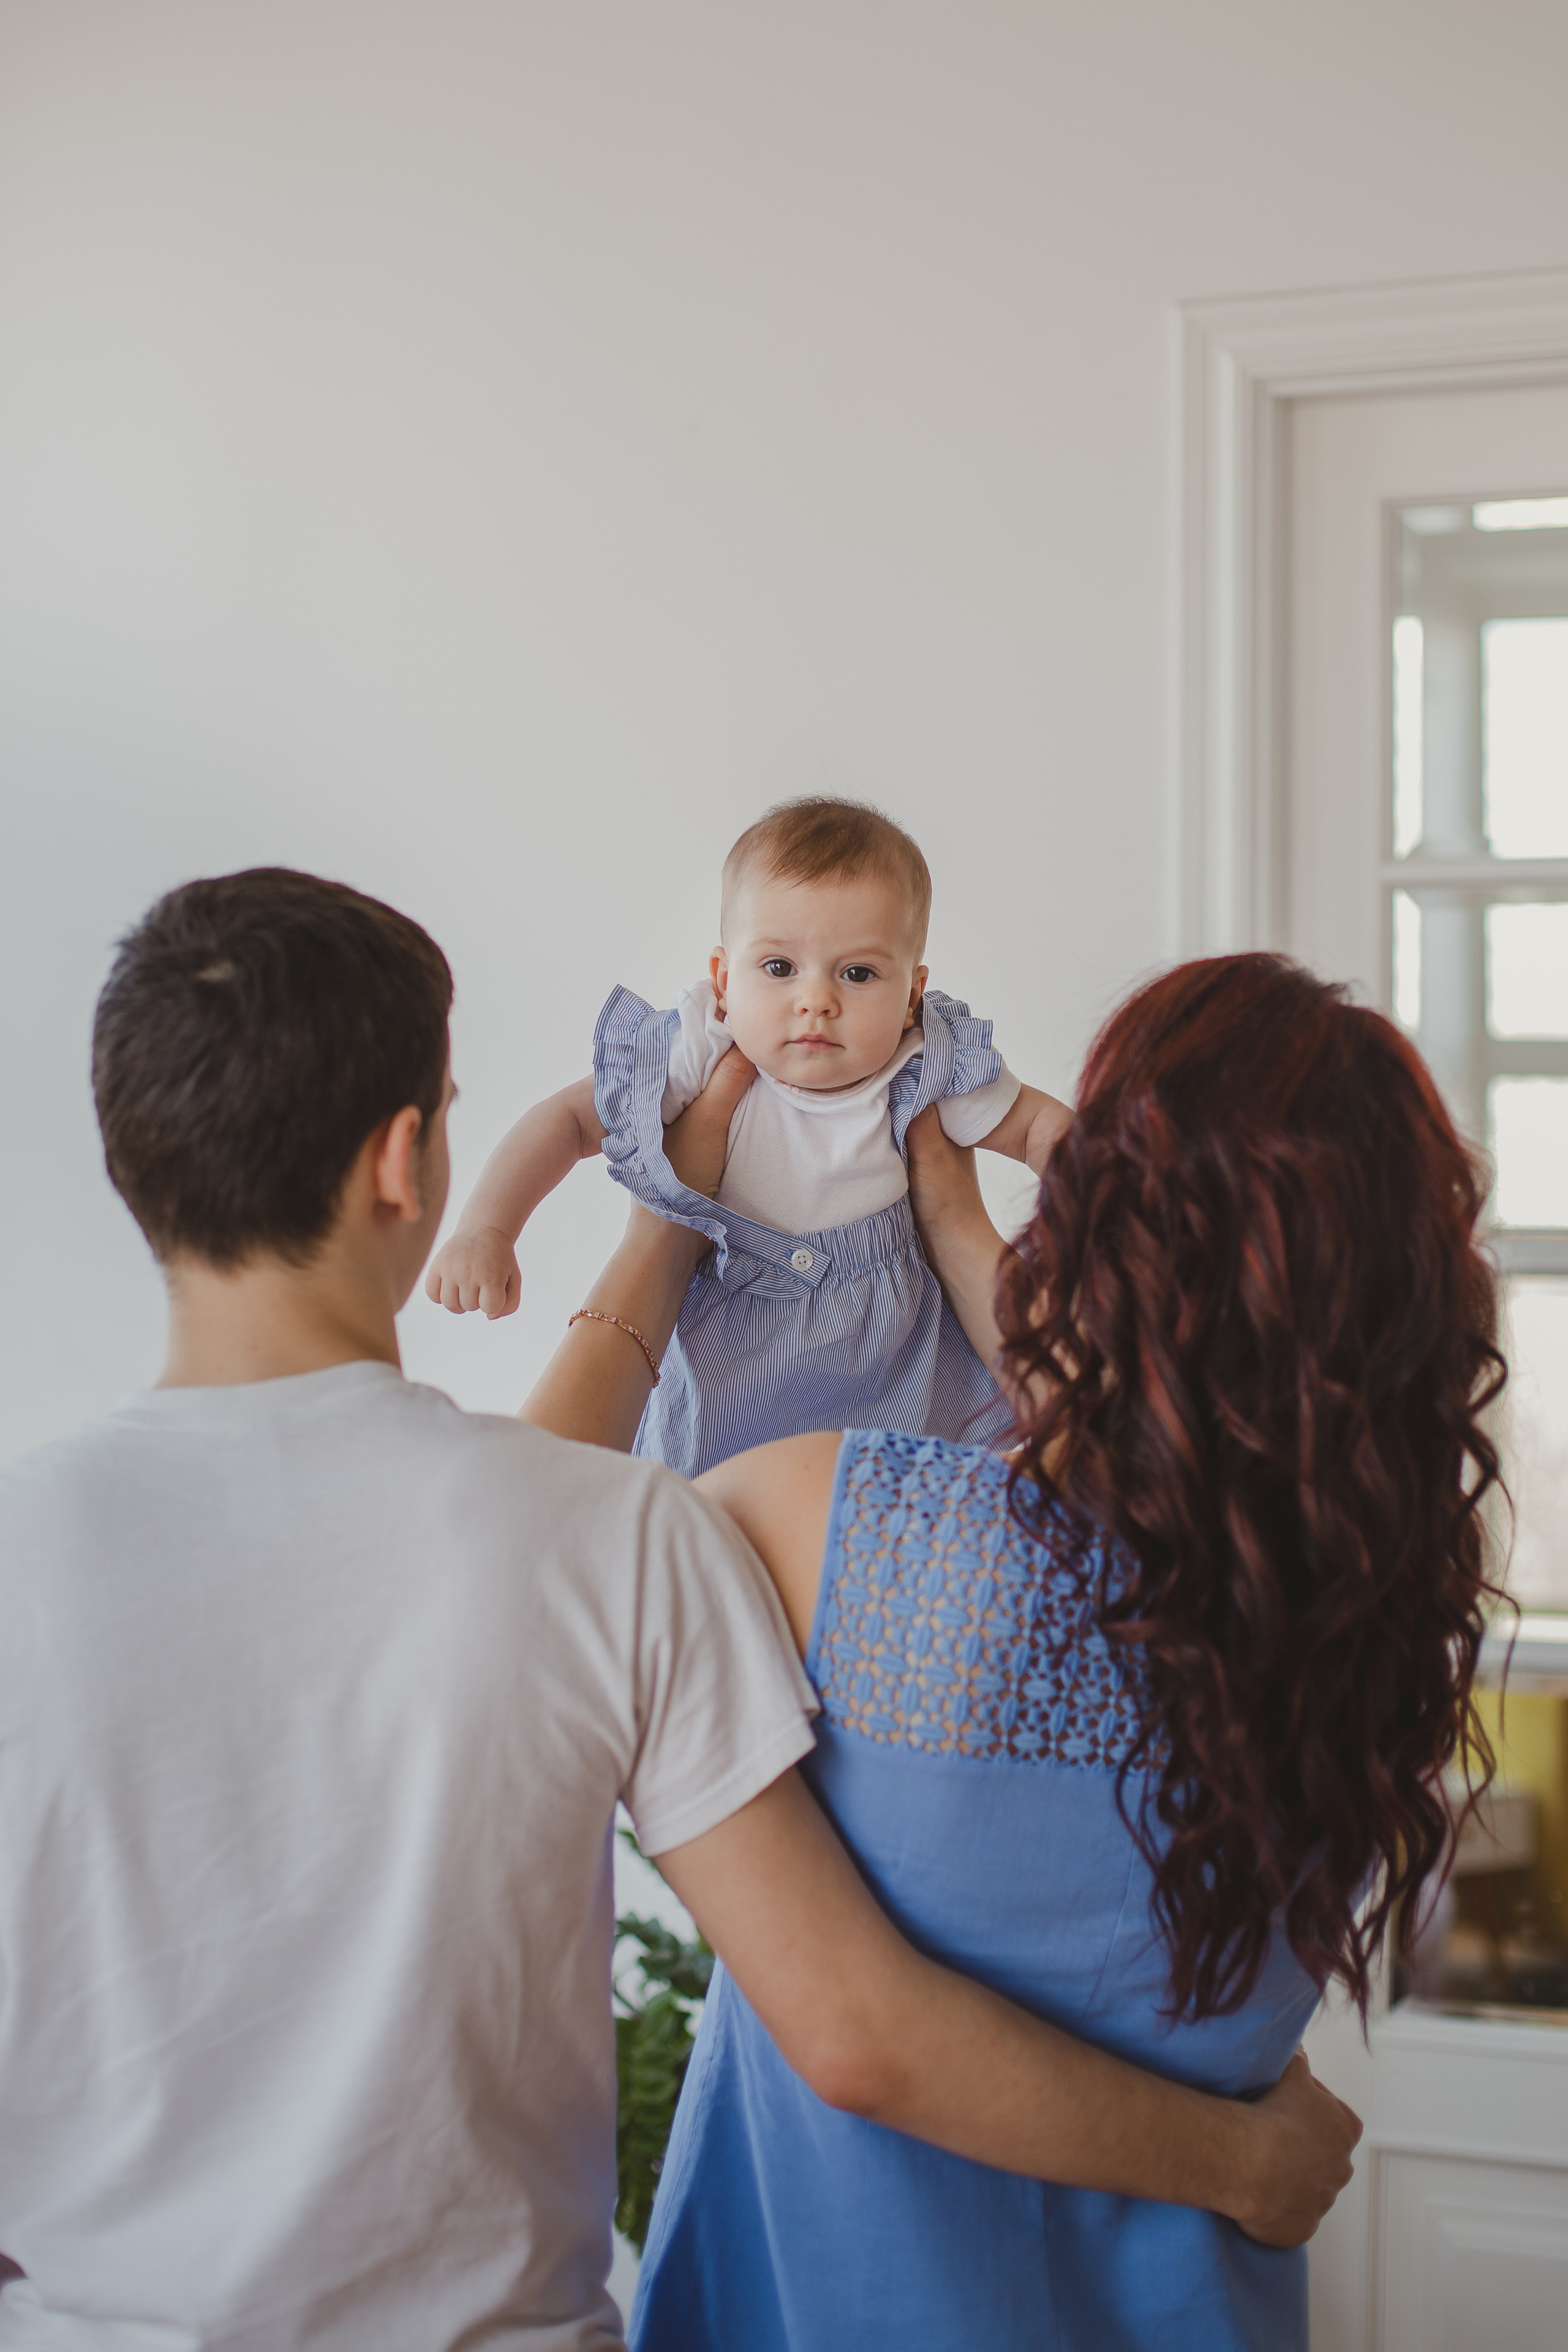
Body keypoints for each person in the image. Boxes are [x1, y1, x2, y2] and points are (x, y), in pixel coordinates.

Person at [0, 874, 1355, 2351]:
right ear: (406, 1158)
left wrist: (677, 1203)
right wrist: (1244, 2158)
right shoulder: (605, 1543)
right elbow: (854, 2028)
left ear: (134, 1163)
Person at [521, 952, 1501, 2352]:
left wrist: (670, 1222)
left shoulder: (840, 1527)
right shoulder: (1369, 1651)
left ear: (1105, 1232)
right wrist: (949, 1218)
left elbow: (522, 1563)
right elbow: (1167, 1451)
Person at [427, 797, 1072, 1472]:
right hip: (731, 1357)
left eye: (857, 974)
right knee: (702, 1512)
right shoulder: (697, 1051)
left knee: (897, 1510)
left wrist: (1118, 1198)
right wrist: (488, 1229)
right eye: (779, 968)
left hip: (894, 1367)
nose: (815, 1000)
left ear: (912, 995)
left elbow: (1038, 1131)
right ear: (723, 981)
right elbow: (565, 1120)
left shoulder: (925, 1064)